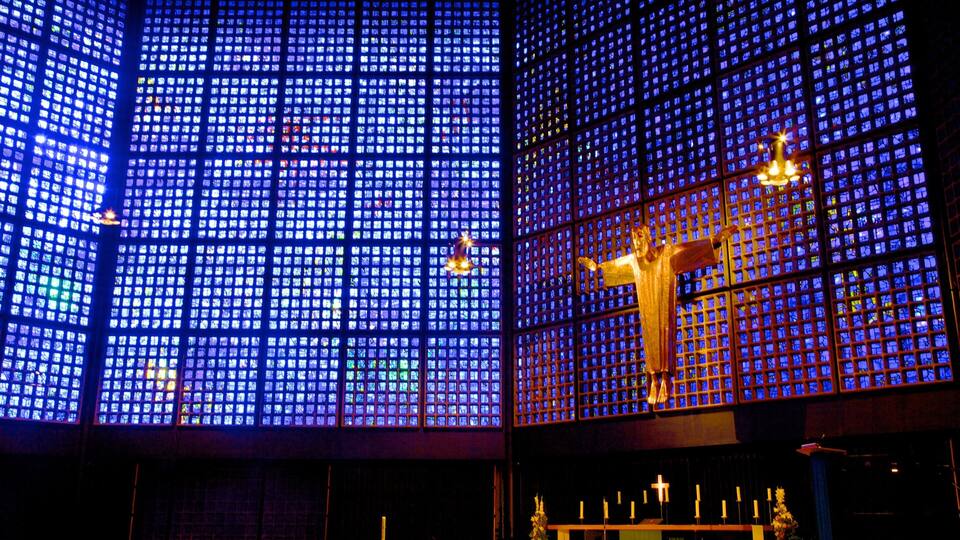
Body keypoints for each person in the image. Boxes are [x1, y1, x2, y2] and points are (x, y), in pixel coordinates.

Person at [578, 224, 737, 405]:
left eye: (639, 237)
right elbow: (615, 266)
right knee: (649, 334)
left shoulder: (666, 253)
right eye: (634, 239)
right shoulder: (634, 262)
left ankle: (666, 378)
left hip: (663, 301)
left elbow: (689, 251)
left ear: (647, 237)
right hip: (647, 305)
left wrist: (714, 242)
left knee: (665, 331)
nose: (636, 243)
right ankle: (654, 379)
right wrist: (598, 267)